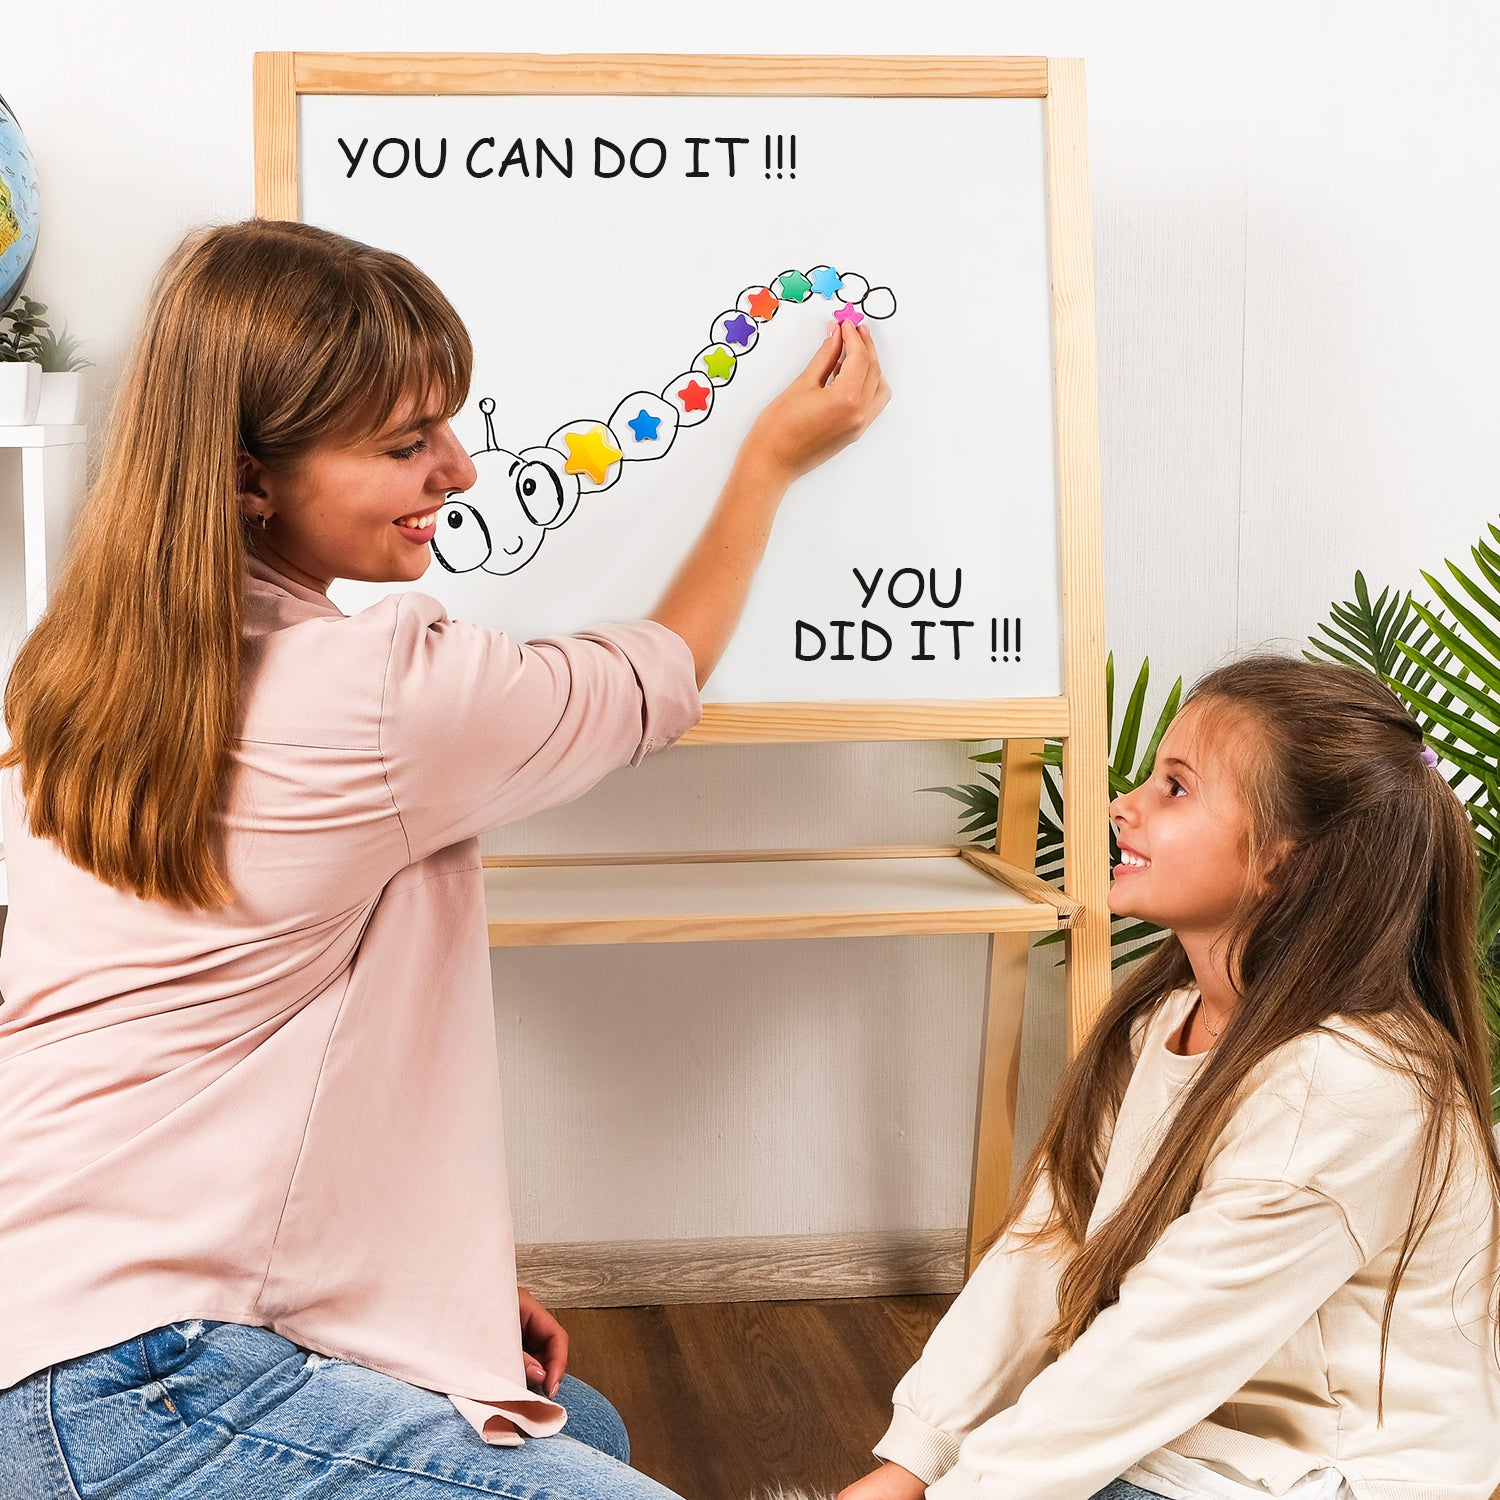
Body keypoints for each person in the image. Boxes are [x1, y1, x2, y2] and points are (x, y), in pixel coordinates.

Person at [0, 218, 889, 1499]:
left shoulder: (81, 665)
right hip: (143, 1378)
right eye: (406, 443)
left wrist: (429, 1281)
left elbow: (226, 1054)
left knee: (574, 1424)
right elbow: (654, 680)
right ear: (254, 478)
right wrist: (766, 466)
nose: (462, 471)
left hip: (54, 1306)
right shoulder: (379, 690)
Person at [840, 656, 1500, 1500]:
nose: (1124, 805)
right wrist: (914, 1459)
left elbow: (1158, 1346)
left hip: (1315, 1476)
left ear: (1284, 864)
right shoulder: (1163, 1020)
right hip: (1181, 1441)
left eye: (1176, 789)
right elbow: (1049, 1245)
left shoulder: (1346, 1088)